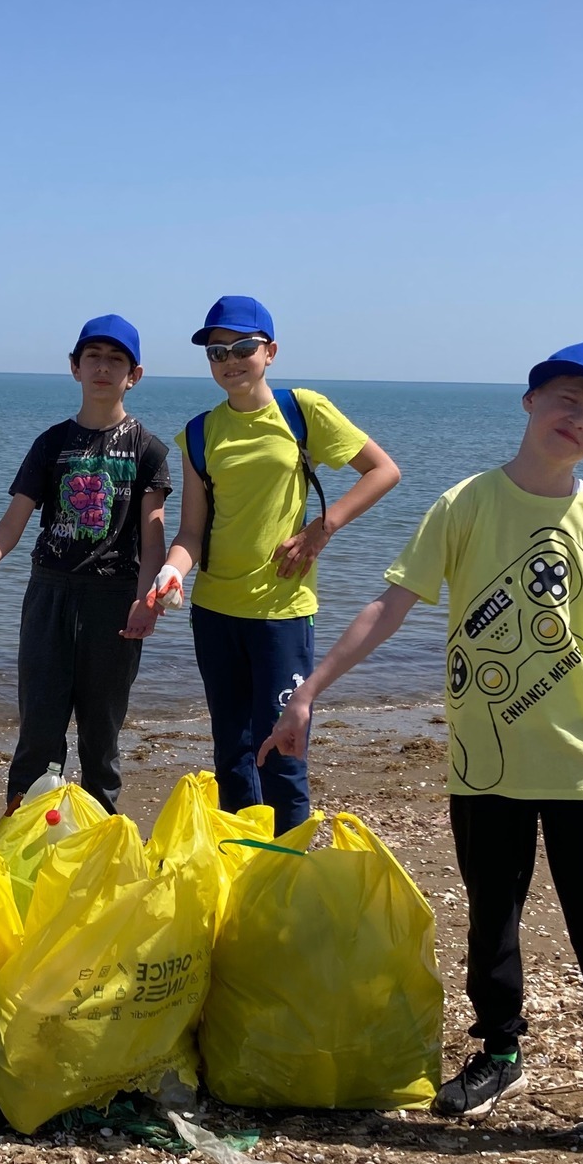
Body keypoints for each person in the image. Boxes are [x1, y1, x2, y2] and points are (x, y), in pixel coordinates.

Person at [258, 340, 583, 1164]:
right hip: (484, 766)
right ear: (530, 401)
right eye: (569, 401)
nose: (580, 421)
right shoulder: (465, 505)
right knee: (491, 916)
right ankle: (500, 1050)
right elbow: (391, 604)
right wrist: (310, 690)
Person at [146, 295, 401, 832]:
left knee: (284, 745)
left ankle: (289, 867)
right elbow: (192, 532)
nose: (230, 360)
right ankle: (242, 862)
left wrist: (320, 529)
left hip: (283, 611)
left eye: (243, 347)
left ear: (270, 352)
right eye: (217, 352)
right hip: (215, 612)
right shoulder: (199, 433)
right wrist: (171, 572)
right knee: (231, 750)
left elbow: (382, 471)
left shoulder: (301, 410)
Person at [0, 315, 170, 812]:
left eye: (116, 359)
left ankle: (99, 844)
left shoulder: (149, 449)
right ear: (75, 368)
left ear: (134, 375)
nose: (103, 367)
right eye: (93, 357)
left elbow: (153, 535)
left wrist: (147, 600)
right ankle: (23, 835)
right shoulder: (51, 443)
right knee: (38, 731)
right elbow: (11, 525)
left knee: (101, 737)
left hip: (114, 602)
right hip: (49, 596)